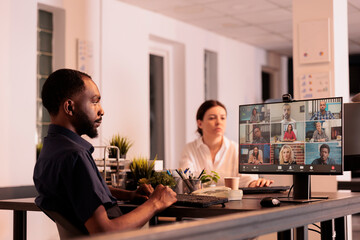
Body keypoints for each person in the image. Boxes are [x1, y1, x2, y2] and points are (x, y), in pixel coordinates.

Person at [33, 69, 177, 235]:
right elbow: (103, 231)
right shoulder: (75, 156)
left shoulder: (52, 151)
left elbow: (82, 190)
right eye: (94, 102)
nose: (101, 110)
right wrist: (156, 203)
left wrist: (129, 195)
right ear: (69, 107)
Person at [179, 100, 273, 187]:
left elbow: (248, 180)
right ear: (200, 124)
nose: (219, 122)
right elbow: (186, 182)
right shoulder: (190, 149)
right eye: (212, 118)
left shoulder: (235, 149)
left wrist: (258, 184)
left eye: (223, 118)